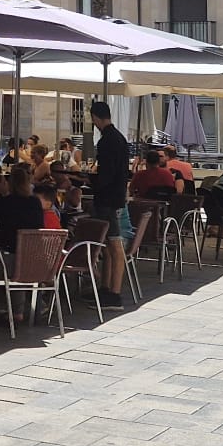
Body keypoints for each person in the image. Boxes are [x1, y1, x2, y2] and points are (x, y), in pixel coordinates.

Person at [88, 102, 131, 307]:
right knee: (106, 244)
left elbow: (107, 173)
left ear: (95, 117)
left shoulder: (107, 141)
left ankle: (114, 293)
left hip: (107, 198)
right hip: (116, 196)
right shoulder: (119, 138)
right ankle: (105, 288)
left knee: (113, 244)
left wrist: (91, 181)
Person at [0, 164, 45, 256]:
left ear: (9, 184)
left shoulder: (3, 202)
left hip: (6, 253)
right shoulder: (35, 202)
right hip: (32, 254)